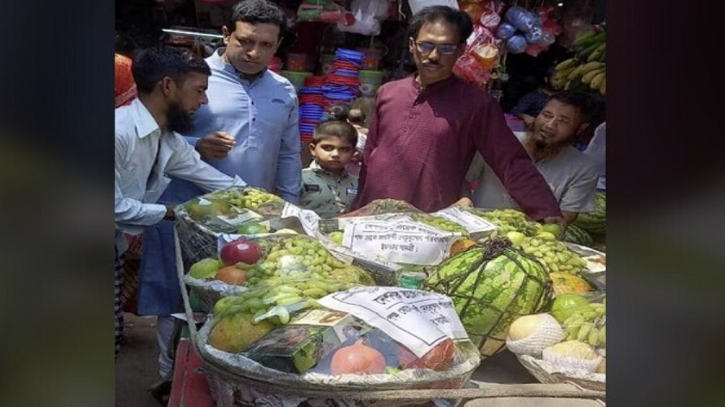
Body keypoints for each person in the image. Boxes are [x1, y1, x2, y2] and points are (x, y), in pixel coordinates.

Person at [138, 0, 300, 382]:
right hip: (184, 212)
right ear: (225, 35)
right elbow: (146, 135)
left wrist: (290, 209)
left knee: (240, 297)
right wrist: (194, 144)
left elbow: (290, 153)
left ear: (278, 45)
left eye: (266, 45)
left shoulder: (283, 90)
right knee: (175, 297)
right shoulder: (188, 79)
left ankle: (223, 377)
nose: (254, 53)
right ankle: (170, 378)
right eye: (245, 41)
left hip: (251, 219)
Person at [355, 5, 563, 225]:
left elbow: (510, 161)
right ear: (412, 46)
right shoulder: (389, 92)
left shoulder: (477, 105)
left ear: (461, 49)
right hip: (372, 216)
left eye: (446, 48)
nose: (433, 56)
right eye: (426, 45)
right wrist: (358, 206)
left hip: (428, 224)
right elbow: (370, 155)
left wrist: (544, 208)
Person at [115, 46, 243, 358]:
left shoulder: (167, 140)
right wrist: (175, 211)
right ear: (168, 86)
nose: (204, 101)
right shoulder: (118, 132)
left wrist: (269, 207)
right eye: (199, 90)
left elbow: (220, 184)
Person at [467, 91, 599, 225]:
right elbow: (463, 180)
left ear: (581, 128)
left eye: (563, 121)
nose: (550, 125)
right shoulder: (502, 143)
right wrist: (464, 202)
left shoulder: (584, 168)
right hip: (476, 226)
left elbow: (564, 217)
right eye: (546, 115)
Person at [300, 107, 359, 218]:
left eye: (344, 149)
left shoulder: (358, 183)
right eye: (328, 148)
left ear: (353, 153)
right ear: (313, 149)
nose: (335, 154)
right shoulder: (300, 179)